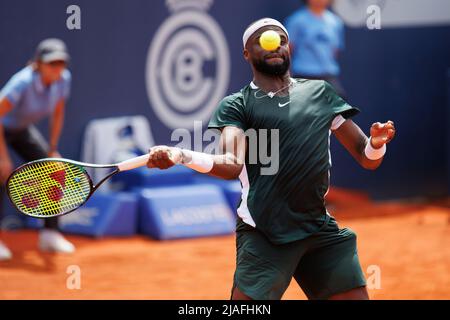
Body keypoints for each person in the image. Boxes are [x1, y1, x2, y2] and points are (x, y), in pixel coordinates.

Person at [145, 18, 396, 300]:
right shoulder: (237, 105)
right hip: (264, 235)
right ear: (247, 54)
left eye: (281, 41)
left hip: (317, 228)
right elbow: (230, 164)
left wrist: (376, 143)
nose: (275, 46)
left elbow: (367, 157)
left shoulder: (321, 93)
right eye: (263, 42)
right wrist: (181, 154)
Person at [0, 38, 75, 261]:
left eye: (61, 63)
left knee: (55, 168)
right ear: (38, 64)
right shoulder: (22, 82)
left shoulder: (64, 80)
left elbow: (58, 113)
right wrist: (2, 157)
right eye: (52, 63)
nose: (57, 68)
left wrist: (53, 149)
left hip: (21, 129)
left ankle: (50, 233)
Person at [285, 0, 346, 97]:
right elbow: (288, 50)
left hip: (328, 76)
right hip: (303, 76)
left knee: (339, 109)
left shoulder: (335, 22)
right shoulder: (296, 20)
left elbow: (335, 50)